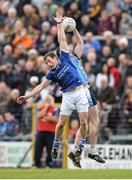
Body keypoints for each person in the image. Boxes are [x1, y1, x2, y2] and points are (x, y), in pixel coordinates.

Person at [17, 8, 88, 168]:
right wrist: (28, 96)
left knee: (84, 124)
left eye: (50, 61)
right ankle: (56, 143)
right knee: (61, 124)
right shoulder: (52, 74)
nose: (49, 64)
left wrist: (59, 24)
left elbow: (61, 39)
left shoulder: (64, 57)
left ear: (55, 58)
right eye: (47, 63)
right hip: (68, 96)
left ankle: (80, 147)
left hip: (80, 91)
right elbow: (41, 87)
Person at [56, 27, 105, 167]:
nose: (70, 50)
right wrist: (60, 25)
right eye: (67, 50)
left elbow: (81, 43)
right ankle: (93, 151)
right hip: (83, 90)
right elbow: (62, 41)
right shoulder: (66, 61)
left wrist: (74, 29)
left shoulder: (74, 58)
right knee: (94, 121)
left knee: (87, 123)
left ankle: (76, 150)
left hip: (85, 90)